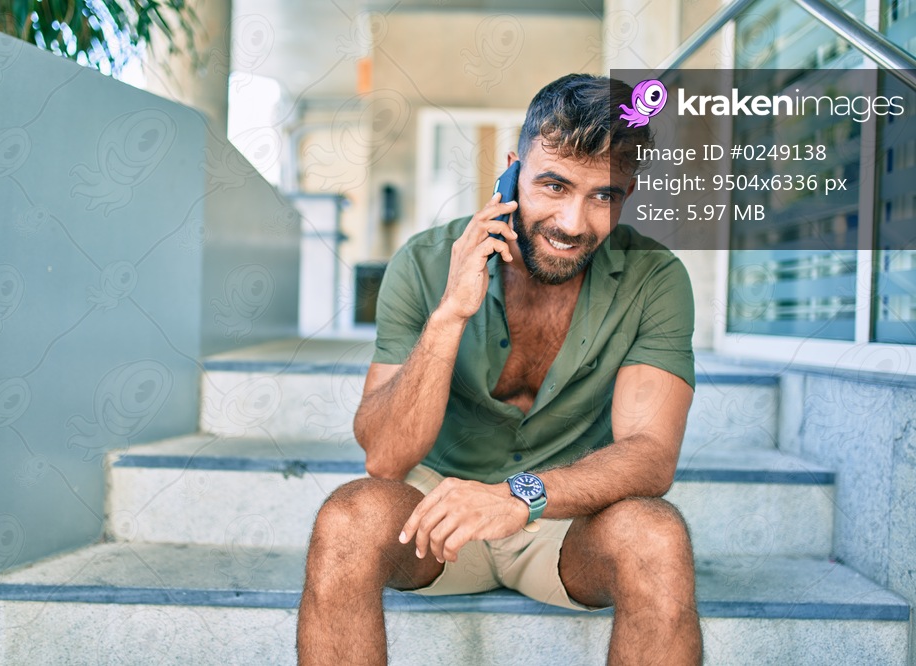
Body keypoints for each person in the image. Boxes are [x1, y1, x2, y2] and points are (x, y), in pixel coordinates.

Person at [296, 73, 702, 665]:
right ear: (512, 169)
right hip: (437, 514)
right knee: (347, 521)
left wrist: (522, 494)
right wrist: (451, 312)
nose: (573, 222)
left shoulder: (655, 278)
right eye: (554, 185)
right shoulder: (425, 262)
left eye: (603, 196)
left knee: (656, 537)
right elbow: (384, 457)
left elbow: (650, 454)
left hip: (564, 517)